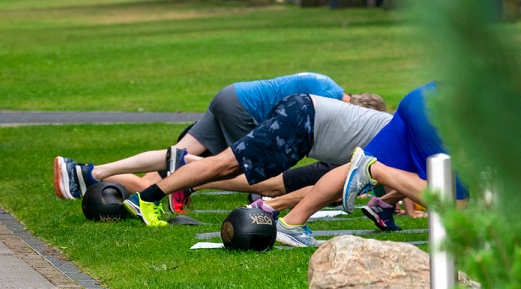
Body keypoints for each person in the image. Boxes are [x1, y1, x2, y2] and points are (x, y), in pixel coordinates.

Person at [120, 92, 391, 245]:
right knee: (226, 164)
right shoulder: (398, 138)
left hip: (304, 117)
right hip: (304, 119)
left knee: (228, 168)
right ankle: (147, 196)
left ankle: (155, 191)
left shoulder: (394, 133)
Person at [54, 72, 361, 206]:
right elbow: (295, 128)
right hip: (243, 110)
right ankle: (190, 181)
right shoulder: (330, 98)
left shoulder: (327, 83)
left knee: (170, 159)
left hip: (231, 96)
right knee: (247, 174)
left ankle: (87, 172)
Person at [268, 83, 467, 245]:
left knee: (356, 165)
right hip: (438, 111)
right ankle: (375, 170)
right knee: (454, 203)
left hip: (421, 97)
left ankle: (292, 222)